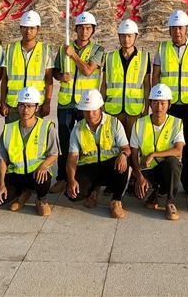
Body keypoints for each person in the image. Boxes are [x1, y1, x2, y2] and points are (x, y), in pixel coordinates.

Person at [153, 9, 188, 191]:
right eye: (174, 28)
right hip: (169, 106)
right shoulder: (162, 48)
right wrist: (157, 101)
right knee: (168, 143)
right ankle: (167, 183)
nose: (177, 31)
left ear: (187, 29)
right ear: (169, 30)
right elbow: (156, 75)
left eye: (181, 28)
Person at [52, 11, 105, 193]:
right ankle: (62, 178)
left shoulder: (98, 50)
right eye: (81, 28)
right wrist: (61, 76)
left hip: (86, 104)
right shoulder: (63, 49)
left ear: (93, 30)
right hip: (66, 103)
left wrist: (73, 55)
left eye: (88, 28)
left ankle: (84, 178)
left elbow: (88, 71)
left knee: (86, 142)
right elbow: (55, 71)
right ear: (75, 29)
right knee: (65, 142)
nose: (84, 31)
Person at [65, 89, 131, 219]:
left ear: (101, 108)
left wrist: (123, 155)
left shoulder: (114, 123)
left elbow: (126, 148)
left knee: (124, 161)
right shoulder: (78, 128)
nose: (90, 114)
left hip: (111, 166)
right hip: (89, 167)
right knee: (73, 195)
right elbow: (72, 158)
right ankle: (94, 190)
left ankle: (116, 200)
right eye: (87, 111)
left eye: (94, 110)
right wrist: (71, 180)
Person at [0, 86, 59, 217]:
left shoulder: (47, 127)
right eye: (22, 105)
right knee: (1, 200)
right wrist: (1, 184)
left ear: (37, 107)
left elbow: (54, 154)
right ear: (17, 107)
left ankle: (41, 199)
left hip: (36, 173)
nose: (25, 110)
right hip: (16, 174)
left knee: (44, 177)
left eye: (30, 106)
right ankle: (24, 193)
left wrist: (43, 166)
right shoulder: (9, 129)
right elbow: (2, 159)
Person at [130, 83, 185, 221]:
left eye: (163, 103)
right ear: (150, 103)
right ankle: (155, 193)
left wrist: (153, 154)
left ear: (169, 105)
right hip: (148, 170)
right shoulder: (139, 124)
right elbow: (134, 155)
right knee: (139, 193)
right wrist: (139, 177)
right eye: (155, 102)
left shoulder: (176, 123)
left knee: (173, 162)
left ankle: (170, 201)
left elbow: (178, 150)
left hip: (167, 170)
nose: (159, 107)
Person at [1, 10, 56, 123]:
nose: (28, 31)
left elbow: (49, 80)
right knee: (11, 134)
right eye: (25, 27)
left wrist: (47, 102)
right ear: (20, 28)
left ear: (38, 29)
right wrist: (2, 102)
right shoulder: (10, 50)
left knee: (35, 134)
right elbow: (4, 79)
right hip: (13, 105)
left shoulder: (45, 50)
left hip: (35, 106)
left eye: (32, 28)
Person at [102, 19, 151, 139]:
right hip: (113, 110)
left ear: (135, 36)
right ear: (119, 37)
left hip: (134, 110)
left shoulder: (144, 58)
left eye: (129, 36)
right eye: (123, 36)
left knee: (133, 143)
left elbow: (147, 85)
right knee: (114, 143)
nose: (126, 39)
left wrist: (146, 109)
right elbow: (104, 84)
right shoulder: (110, 57)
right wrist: (101, 106)